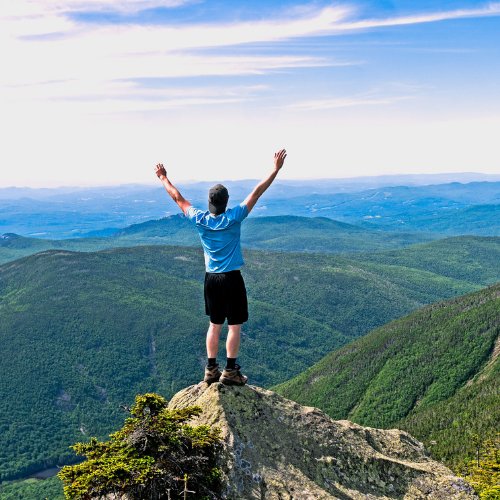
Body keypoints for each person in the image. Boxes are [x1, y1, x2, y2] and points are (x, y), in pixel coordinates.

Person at [155, 149, 287, 386]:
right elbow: (256, 193)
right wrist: (275, 169)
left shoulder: (200, 219)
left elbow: (177, 198)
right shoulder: (234, 217)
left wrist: (163, 177)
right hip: (232, 278)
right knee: (234, 325)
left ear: (210, 203)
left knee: (214, 324)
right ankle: (230, 370)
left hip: (211, 279)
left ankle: (211, 369)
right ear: (226, 202)